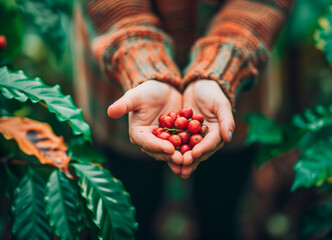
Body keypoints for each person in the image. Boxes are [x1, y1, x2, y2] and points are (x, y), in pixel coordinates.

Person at [73, 0, 293, 239]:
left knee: (220, 214)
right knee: (131, 215)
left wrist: (224, 65)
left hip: (236, 87)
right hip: (123, 83)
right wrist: (141, 63)